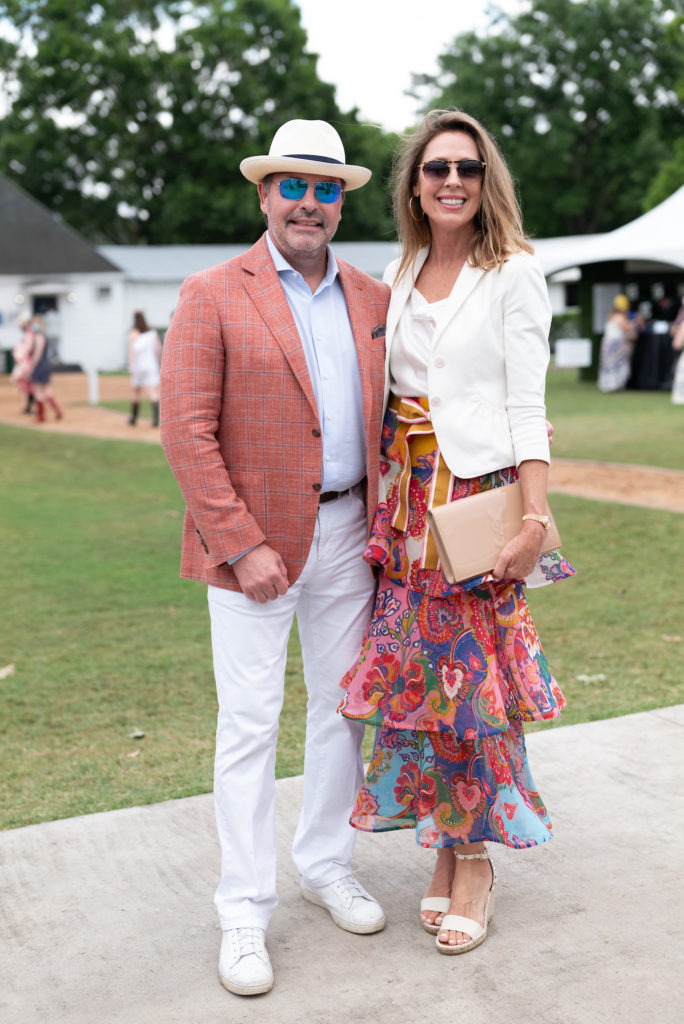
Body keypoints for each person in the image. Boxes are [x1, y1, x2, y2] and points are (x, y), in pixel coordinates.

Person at [160, 120, 389, 997]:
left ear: (340, 203)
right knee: (251, 726)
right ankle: (244, 909)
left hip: (349, 538)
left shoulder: (371, 298)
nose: (309, 202)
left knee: (342, 712)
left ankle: (324, 864)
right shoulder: (213, 291)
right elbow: (186, 431)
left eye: (325, 189)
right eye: (293, 185)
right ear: (264, 195)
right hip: (252, 546)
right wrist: (241, 541)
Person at [338, 108, 575, 956]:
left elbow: (527, 405)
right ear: (412, 183)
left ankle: (474, 860)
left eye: (468, 169)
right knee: (425, 691)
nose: (451, 181)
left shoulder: (512, 271)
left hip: (475, 504)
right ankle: (445, 845)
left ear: (486, 182)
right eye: (436, 167)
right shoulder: (395, 274)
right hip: (404, 511)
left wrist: (536, 519)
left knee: (473, 689)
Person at [27, 314, 63, 423]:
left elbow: (37, 352)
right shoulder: (45, 335)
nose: (34, 325)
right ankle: (57, 410)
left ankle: (41, 416)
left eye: (35, 323)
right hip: (45, 364)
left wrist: (32, 365)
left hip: (40, 365)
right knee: (44, 390)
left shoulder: (39, 336)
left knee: (38, 390)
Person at [127, 311, 162, 426]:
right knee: (152, 391)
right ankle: (156, 420)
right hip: (150, 365)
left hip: (138, 366)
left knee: (136, 392)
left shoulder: (133, 334)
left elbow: (132, 352)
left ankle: (133, 418)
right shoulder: (152, 333)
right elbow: (158, 349)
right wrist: (158, 363)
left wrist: (131, 365)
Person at [598, 293, 637, 392]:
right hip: (616, 346)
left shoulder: (611, 316)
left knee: (609, 365)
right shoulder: (620, 317)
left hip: (608, 345)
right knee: (618, 365)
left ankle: (609, 385)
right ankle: (615, 385)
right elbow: (627, 328)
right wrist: (637, 321)